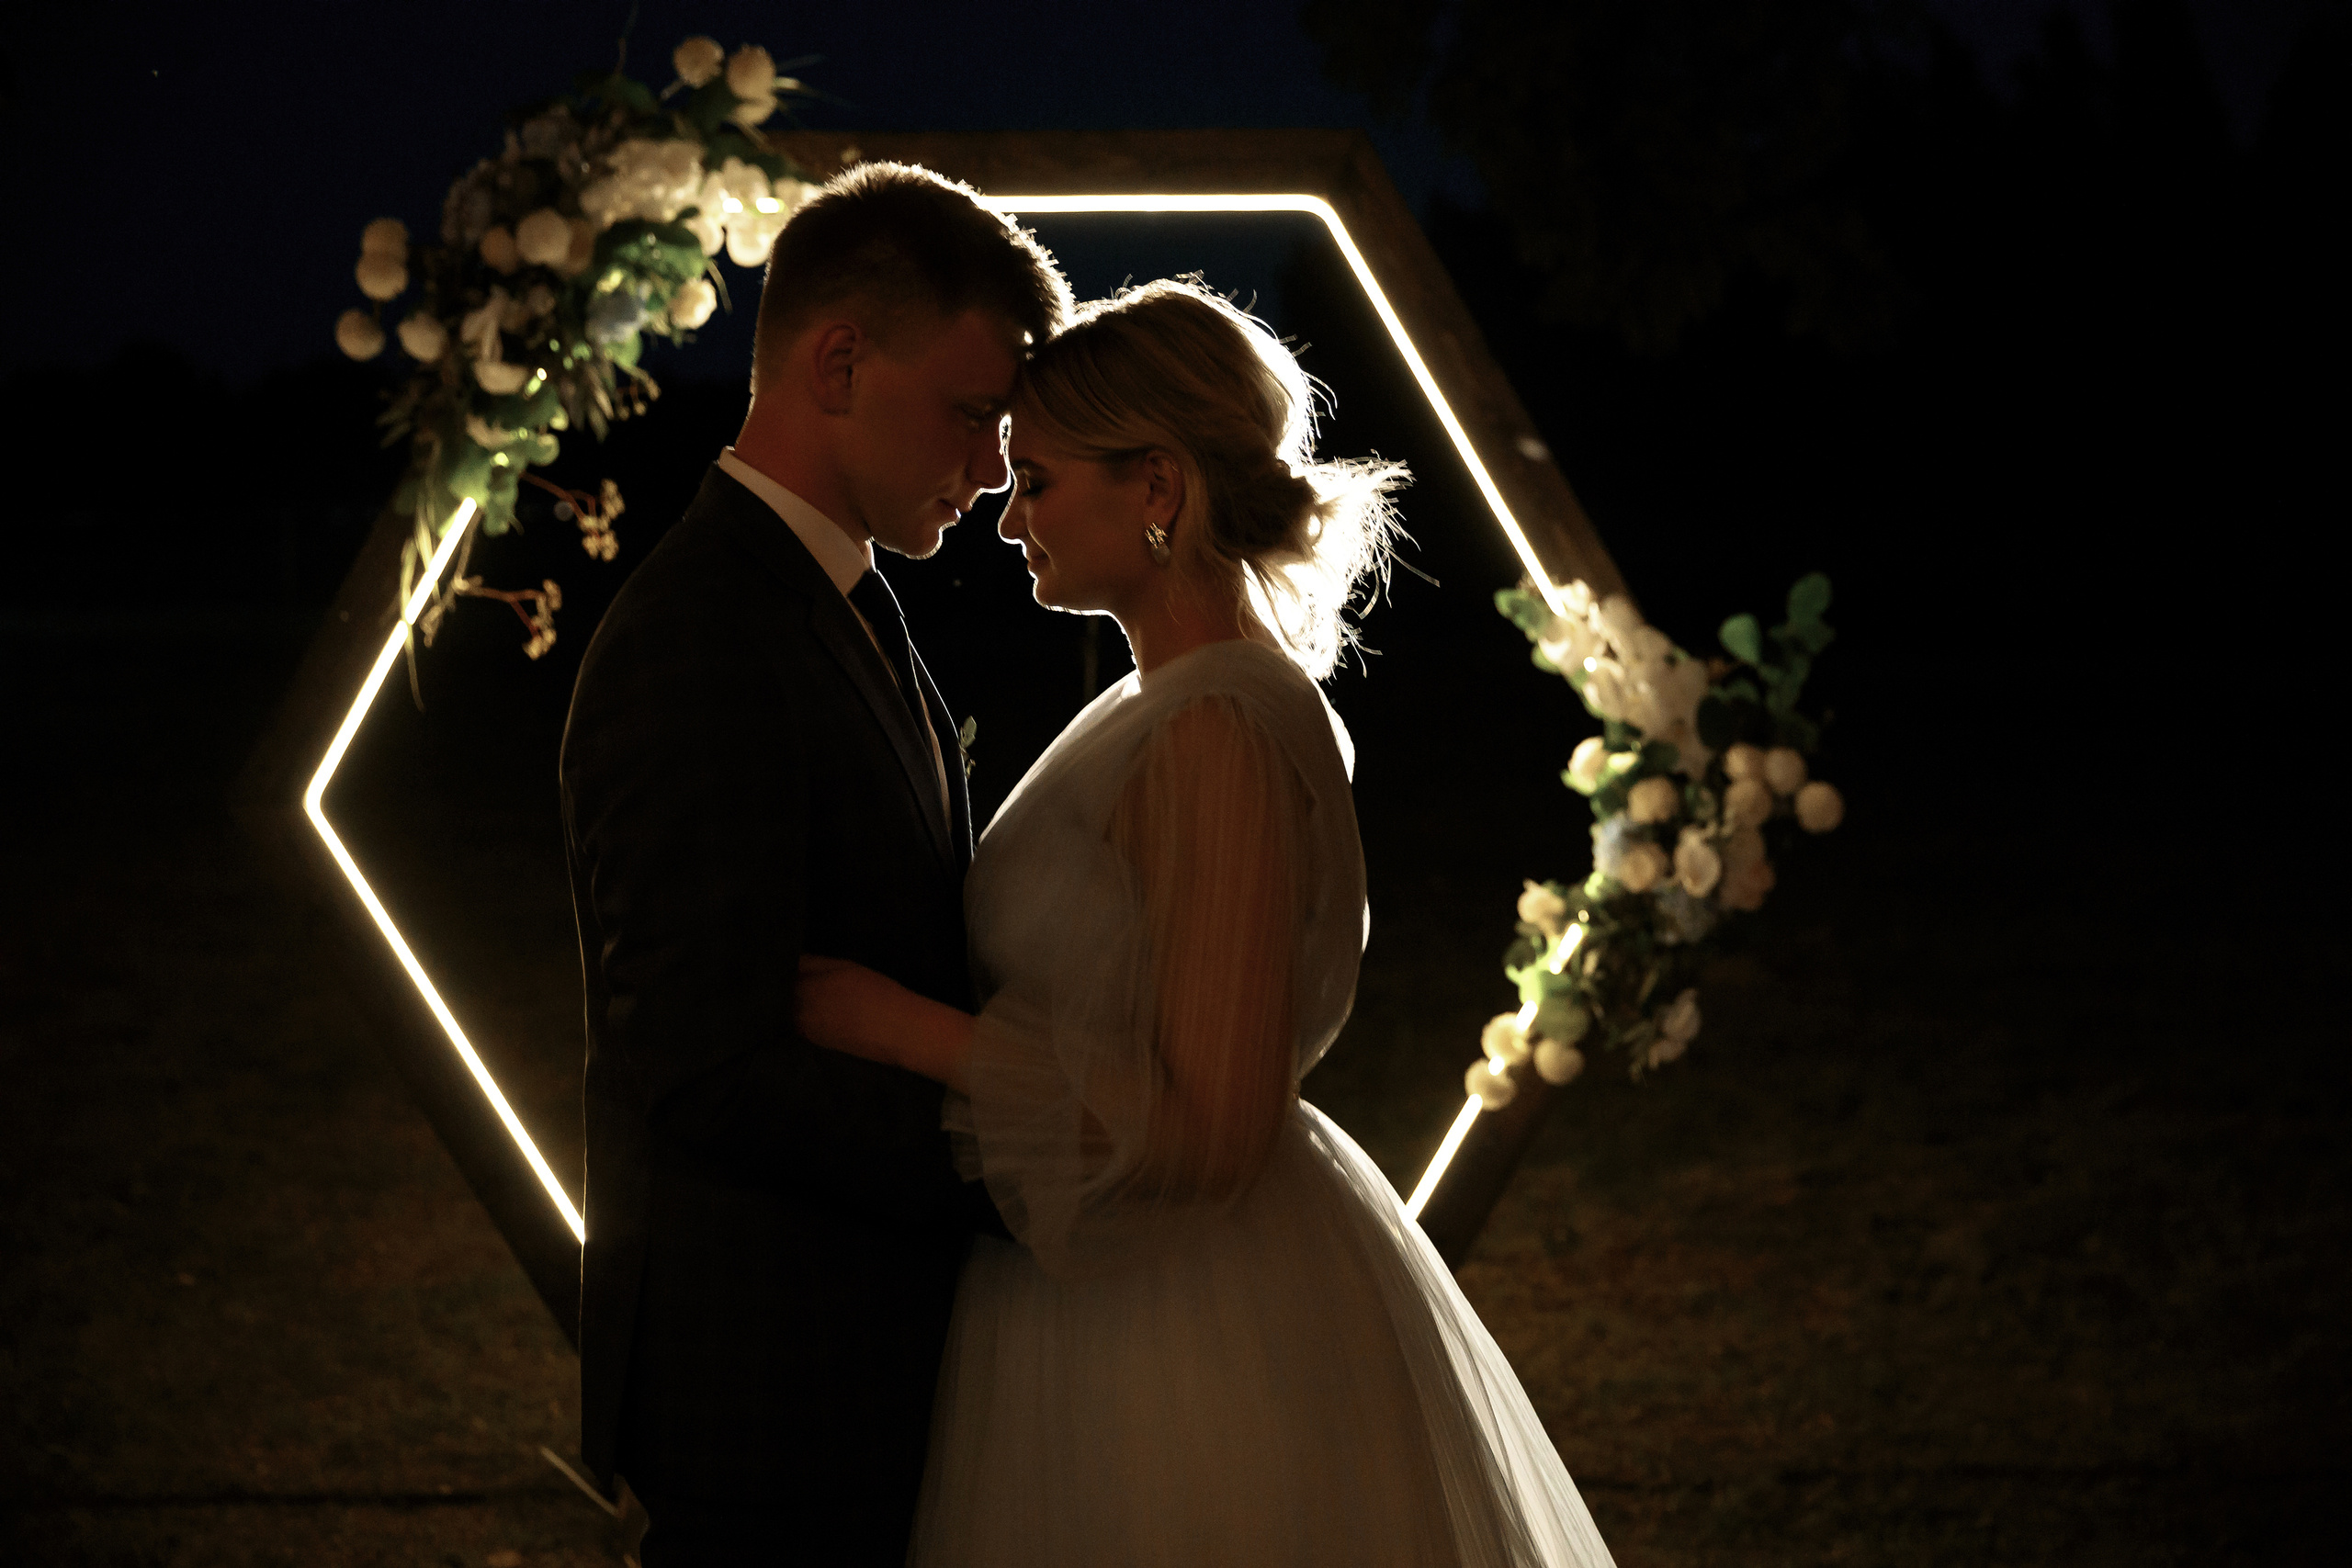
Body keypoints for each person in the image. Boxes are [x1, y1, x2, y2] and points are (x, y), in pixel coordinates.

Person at [795, 278, 1619, 1567]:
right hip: (1098, 1277)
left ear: (1159, 489)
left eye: (1043, 481)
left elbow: (1213, 1131)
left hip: (1185, 1326)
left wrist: (897, 1029)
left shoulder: (1219, 732)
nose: (1010, 520)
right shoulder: (1163, 706)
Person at [559, 162, 1073, 1565]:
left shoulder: (843, 598)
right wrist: (1018, 1172)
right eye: (975, 418)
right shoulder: (698, 636)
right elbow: (706, 1064)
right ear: (838, 361)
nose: (990, 471)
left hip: (851, 1362)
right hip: (766, 1390)